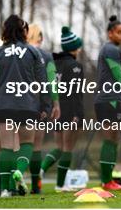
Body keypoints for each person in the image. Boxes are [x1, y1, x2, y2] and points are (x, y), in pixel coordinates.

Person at [0, 15, 50, 198]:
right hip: (27, 105)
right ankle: (17, 174)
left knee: (6, 147)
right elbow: (43, 81)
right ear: (23, 31)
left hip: (3, 105)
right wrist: (45, 106)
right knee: (27, 143)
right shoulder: (33, 52)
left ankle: (4, 189)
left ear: (5, 30)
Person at [40, 26, 84, 192]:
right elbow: (76, 92)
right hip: (69, 110)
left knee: (59, 147)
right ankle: (60, 184)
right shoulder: (75, 66)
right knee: (67, 148)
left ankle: (41, 171)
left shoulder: (53, 63)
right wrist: (77, 115)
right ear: (74, 47)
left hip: (55, 109)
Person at [95, 15, 121, 191]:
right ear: (110, 34)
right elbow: (119, 76)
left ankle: (108, 180)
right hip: (108, 100)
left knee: (113, 140)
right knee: (110, 140)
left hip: (110, 100)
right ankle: (106, 181)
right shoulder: (110, 49)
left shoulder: (113, 49)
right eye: (119, 32)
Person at [27, 24, 61, 194]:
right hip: (39, 105)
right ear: (39, 37)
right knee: (36, 146)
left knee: (12, 146)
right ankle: (35, 185)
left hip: (15, 102)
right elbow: (52, 81)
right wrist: (55, 103)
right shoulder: (46, 56)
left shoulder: (19, 53)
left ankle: (8, 185)